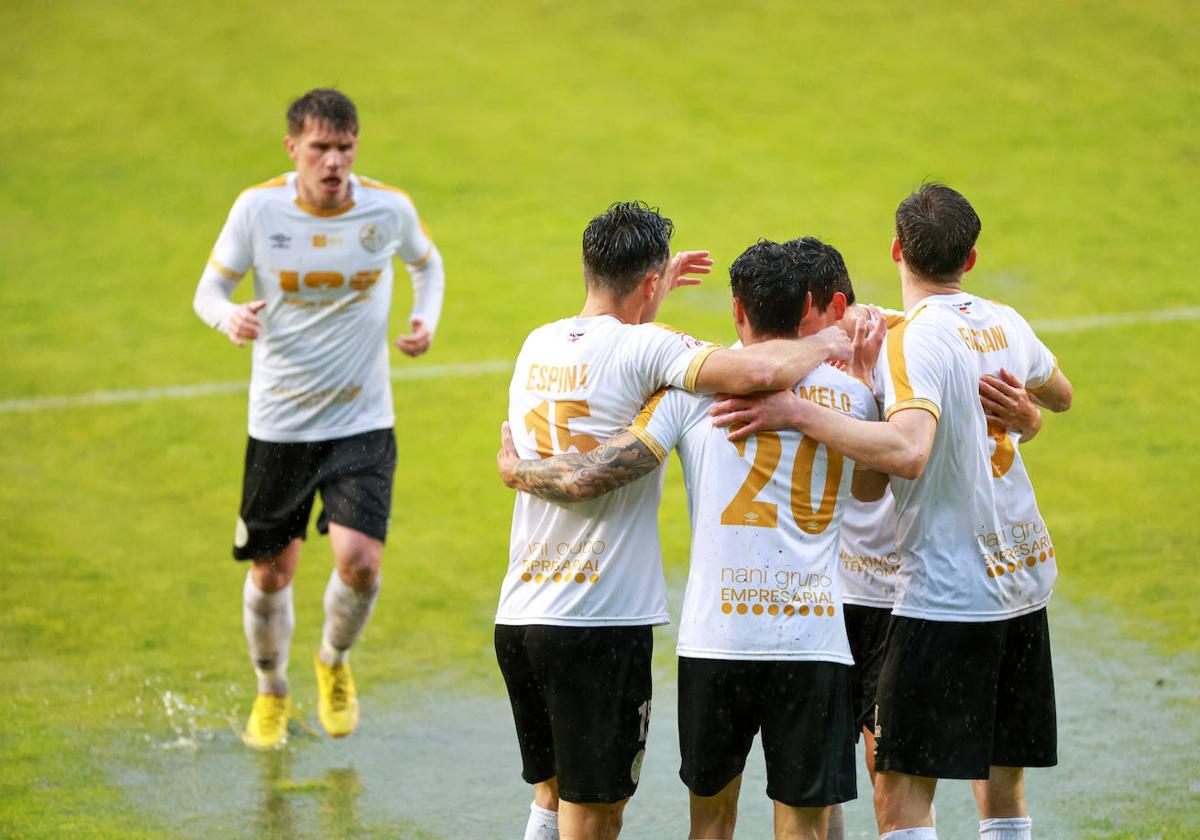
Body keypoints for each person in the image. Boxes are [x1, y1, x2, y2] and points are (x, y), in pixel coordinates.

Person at [708, 184, 1073, 840]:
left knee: (894, 786)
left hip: (920, 592)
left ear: (896, 251)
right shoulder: (991, 324)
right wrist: (1032, 421)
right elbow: (1051, 397)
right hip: (936, 585)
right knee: (836, 783)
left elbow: (889, 469)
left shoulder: (902, 347)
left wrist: (822, 400)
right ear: (974, 255)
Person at [499, 238, 887, 840]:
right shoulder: (852, 399)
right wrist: (858, 385)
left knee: (709, 829)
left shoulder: (689, 396)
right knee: (808, 832)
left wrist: (517, 470)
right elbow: (869, 488)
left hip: (718, 642)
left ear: (738, 309)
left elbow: (600, 468)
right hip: (813, 641)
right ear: (808, 305)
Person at [191, 88, 446, 749]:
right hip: (280, 424)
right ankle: (271, 690)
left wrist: (426, 320)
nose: (333, 161)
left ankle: (333, 662)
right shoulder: (258, 209)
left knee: (360, 562)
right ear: (292, 148)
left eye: (345, 147)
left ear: (356, 147)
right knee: (272, 572)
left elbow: (428, 262)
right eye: (319, 148)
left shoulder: (386, 209)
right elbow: (208, 290)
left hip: (363, 417)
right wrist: (230, 317)